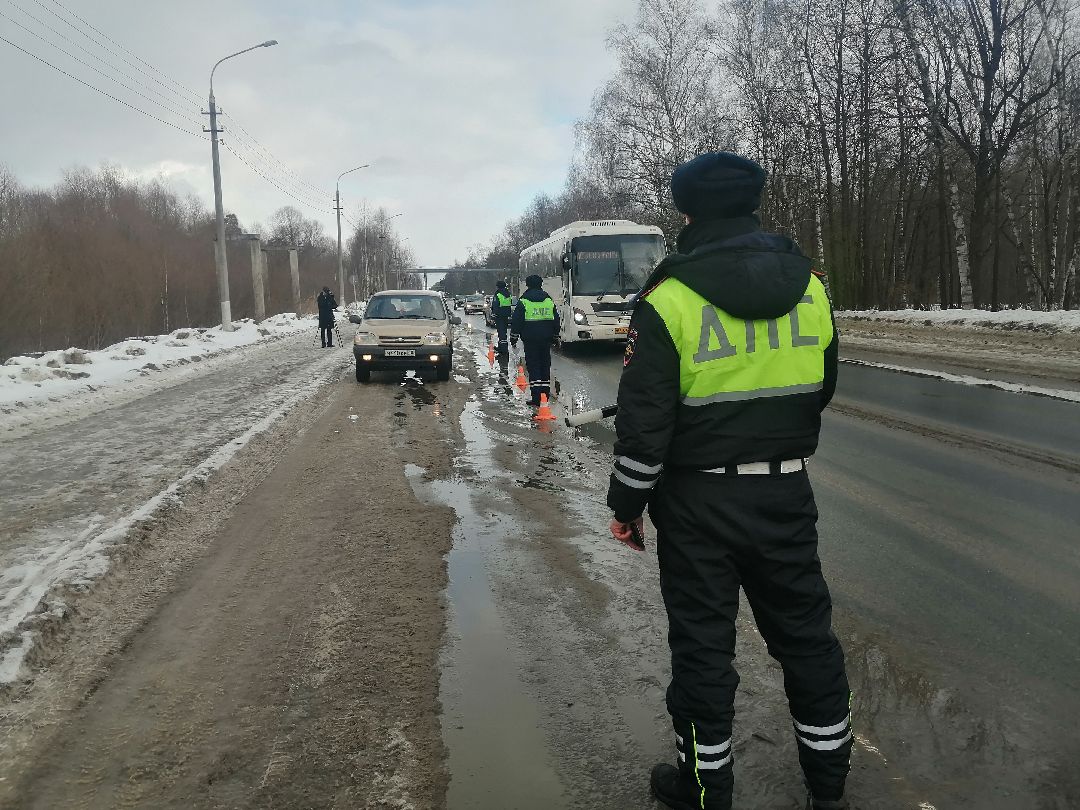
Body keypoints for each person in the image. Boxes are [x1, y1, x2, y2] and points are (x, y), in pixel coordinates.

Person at [606, 152, 849, 810]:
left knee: (704, 652)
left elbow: (643, 427)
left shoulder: (669, 297)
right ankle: (830, 795)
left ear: (687, 213)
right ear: (754, 205)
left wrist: (625, 507)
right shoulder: (812, 287)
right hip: (786, 495)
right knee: (809, 645)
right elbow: (820, 389)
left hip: (696, 505)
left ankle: (705, 792)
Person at [510, 274, 560, 406]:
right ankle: (545, 394)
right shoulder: (548, 300)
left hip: (531, 340)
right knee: (545, 365)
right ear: (541, 284)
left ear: (528, 285)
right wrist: (555, 336)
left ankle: (537, 397)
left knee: (534, 366)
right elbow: (556, 319)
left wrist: (513, 338)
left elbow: (516, 322)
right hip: (546, 339)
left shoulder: (524, 300)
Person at [492, 280, 514, 353]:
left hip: (499, 315)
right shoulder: (508, 294)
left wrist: (493, 315)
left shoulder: (498, 294)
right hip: (506, 314)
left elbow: (495, 305)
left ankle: (503, 349)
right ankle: (502, 347)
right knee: (504, 331)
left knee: (501, 332)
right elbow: (510, 303)